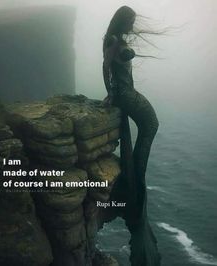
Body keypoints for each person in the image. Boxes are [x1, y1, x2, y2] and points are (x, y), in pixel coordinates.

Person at [102, 6, 161, 266]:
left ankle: (136, 174)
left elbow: (112, 68)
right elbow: (106, 66)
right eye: (131, 21)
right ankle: (136, 175)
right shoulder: (114, 40)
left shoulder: (117, 39)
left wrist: (113, 93)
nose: (133, 25)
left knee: (151, 125)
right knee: (151, 124)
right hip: (125, 95)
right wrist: (112, 95)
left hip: (127, 93)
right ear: (123, 20)